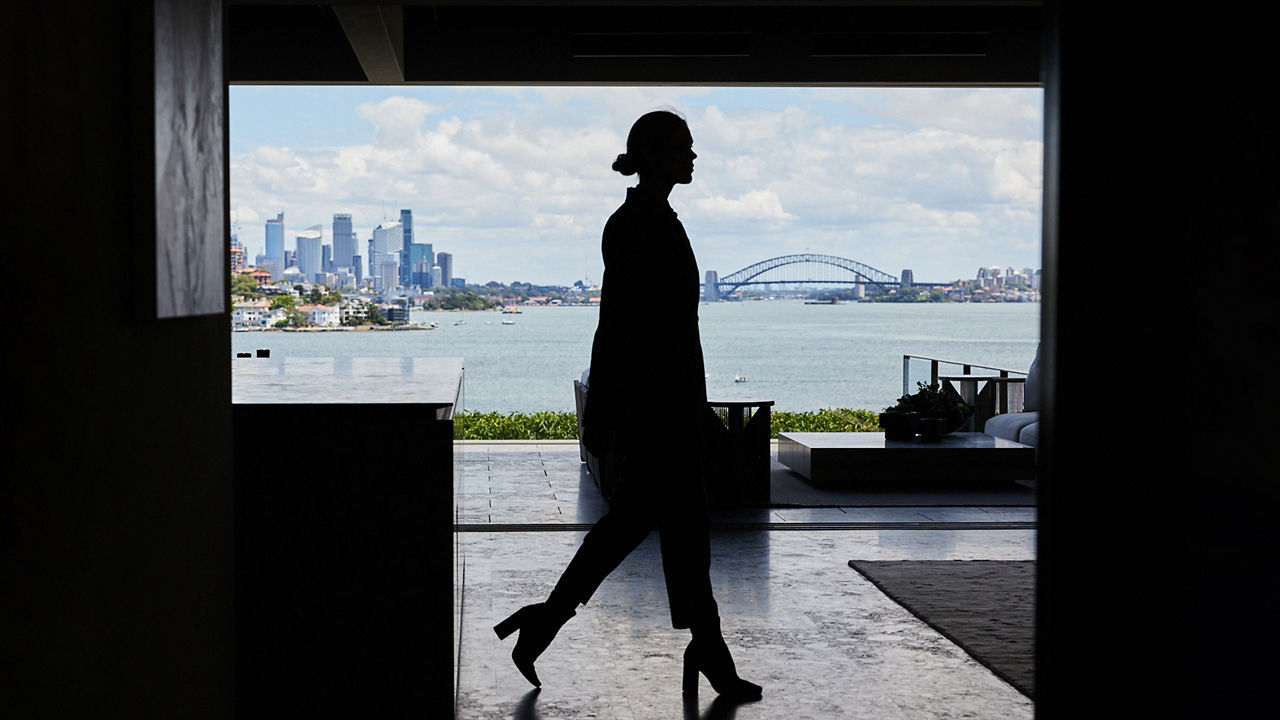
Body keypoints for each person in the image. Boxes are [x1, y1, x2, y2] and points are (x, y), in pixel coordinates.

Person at [494, 110, 762, 702]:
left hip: (666, 404)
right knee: (672, 531)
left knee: (647, 528)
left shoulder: (655, 218)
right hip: (657, 410)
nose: (694, 157)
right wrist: (613, 415)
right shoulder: (638, 224)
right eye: (684, 148)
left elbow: (664, 330)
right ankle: (702, 650)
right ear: (657, 154)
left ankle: (548, 624)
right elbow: (618, 325)